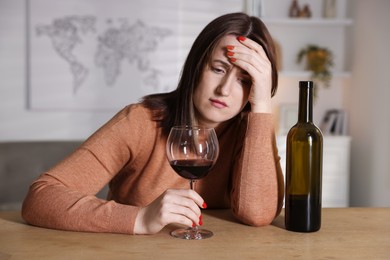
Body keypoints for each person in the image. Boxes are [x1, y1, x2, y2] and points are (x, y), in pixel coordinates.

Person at [22, 12, 284, 235]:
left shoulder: (250, 133)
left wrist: (262, 106)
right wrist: (139, 219)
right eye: (217, 69)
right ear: (196, 67)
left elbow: (257, 215)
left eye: (245, 80)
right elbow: (41, 198)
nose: (225, 90)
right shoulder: (141, 121)